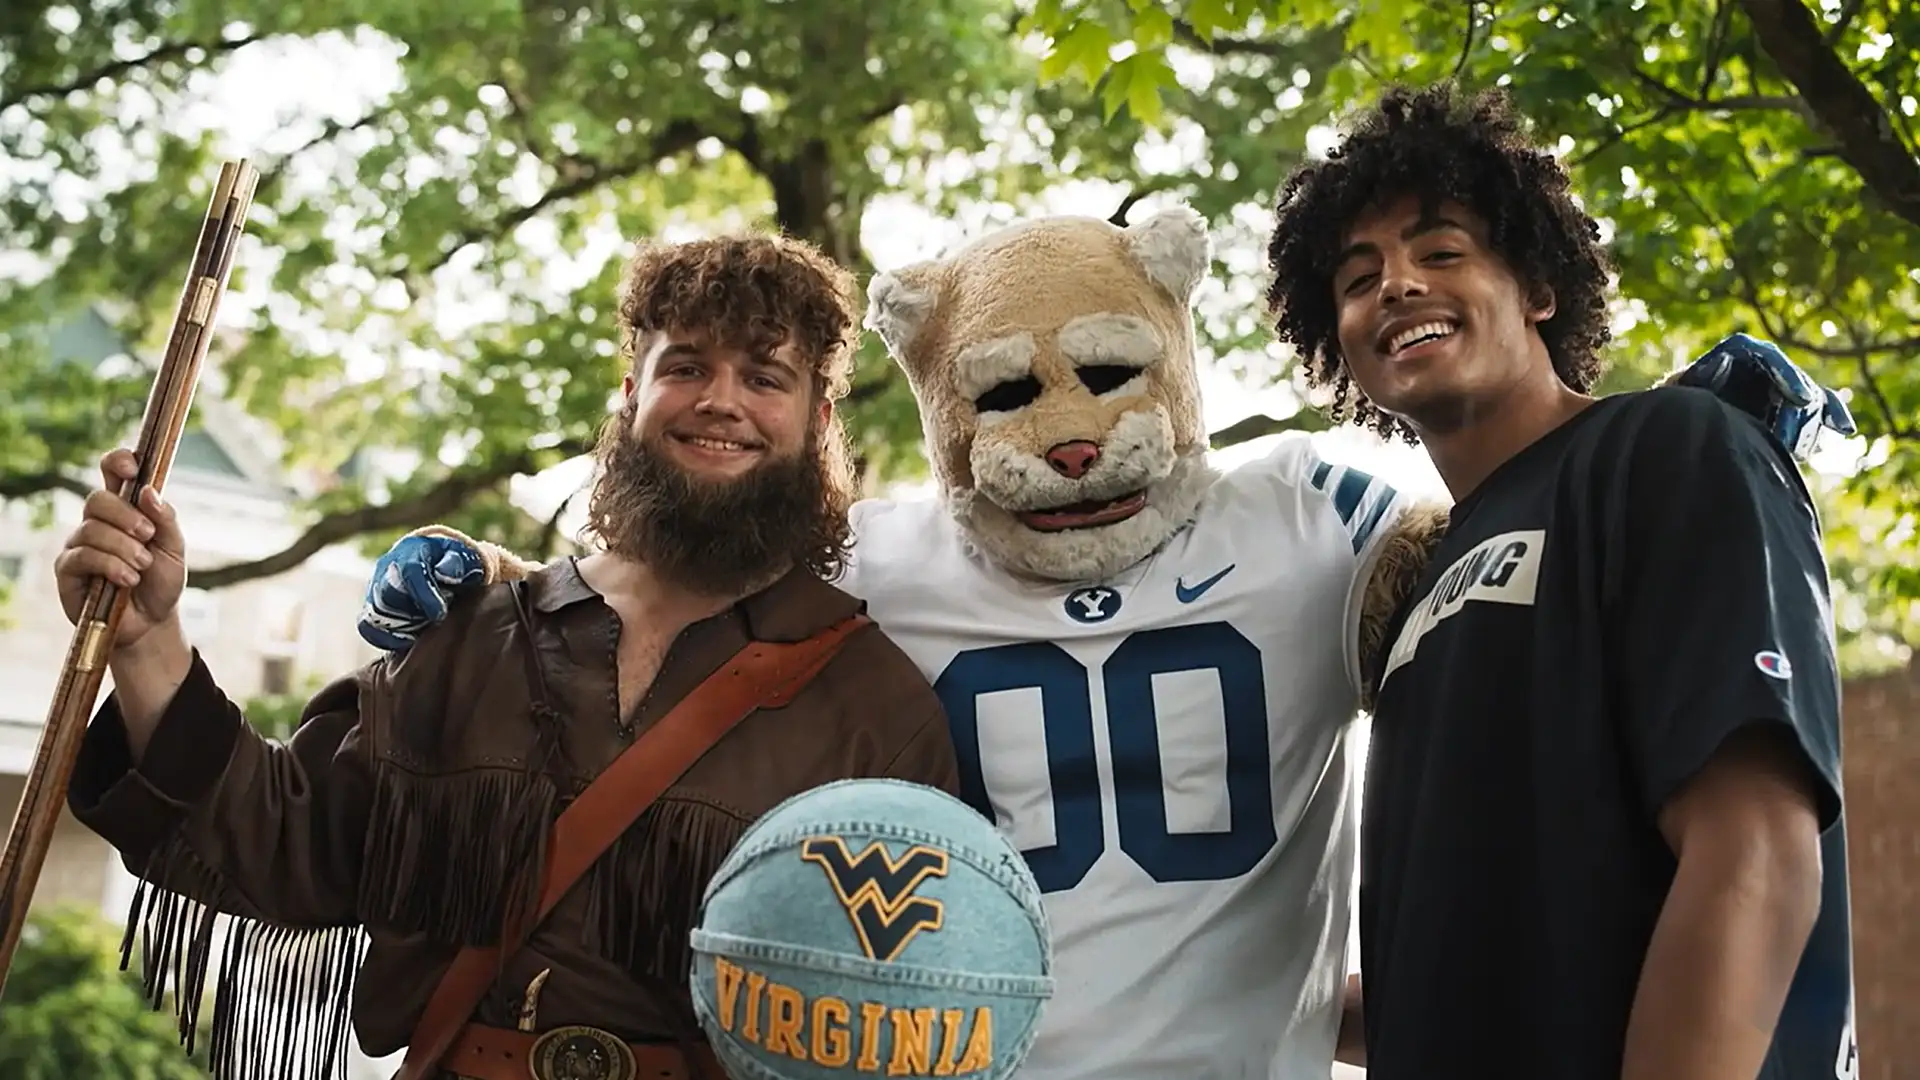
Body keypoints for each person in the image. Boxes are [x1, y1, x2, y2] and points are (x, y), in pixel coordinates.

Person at [352, 202, 1846, 1080]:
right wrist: (494, 572)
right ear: (938, 394)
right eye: (1006, 398)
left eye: (1111, 375)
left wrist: (1660, 437)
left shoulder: (1308, 515)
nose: (1065, 441)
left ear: (1179, 353)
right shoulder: (876, 556)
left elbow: (1508, 566)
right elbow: (668, 584)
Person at [56, 232, 960, 1080]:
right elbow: (288, 836)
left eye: (765, 377)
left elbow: (914, 1011)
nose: (721, 400)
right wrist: (146, 639)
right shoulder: (474, 636)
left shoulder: (872, 707)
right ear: (632, 394)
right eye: (685, 366)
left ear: (818, 417)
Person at [1264, 82, 1856, 1079]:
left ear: (1538, 288)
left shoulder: (1667, 448)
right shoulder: (1415, 587)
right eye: (1358, 280)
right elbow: (1457, 979)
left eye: (1440, 251)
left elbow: (1755, 844)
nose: (1397, 286)